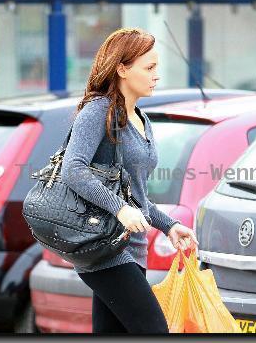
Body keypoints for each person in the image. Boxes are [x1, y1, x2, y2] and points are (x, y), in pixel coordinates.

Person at [60, 27, 199, 334]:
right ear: (122, 68)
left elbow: (137, 196)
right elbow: (73, 168)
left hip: (131, 246)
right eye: (148, 68)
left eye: (156, 68)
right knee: (154, 330)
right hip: (104, 246)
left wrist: (169, 225)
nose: (156, 75)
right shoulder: (98, 111)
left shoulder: (140, 117)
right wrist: (119, 208)